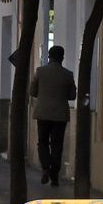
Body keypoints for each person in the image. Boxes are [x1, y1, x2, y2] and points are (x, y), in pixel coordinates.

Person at [29, 45, 76, 186]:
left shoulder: (40, 72)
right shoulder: (68, 74)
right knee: (57, 144)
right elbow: (72, 96)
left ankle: (45, 168)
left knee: (42, 142)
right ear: (62, 57)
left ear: (49, 57)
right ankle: (54, 175)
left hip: (43, 113)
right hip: (60, 115)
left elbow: (32, 91)